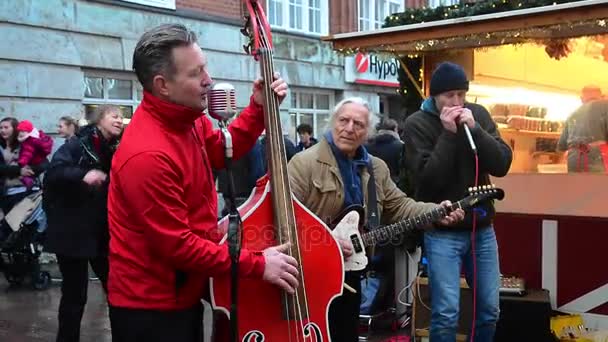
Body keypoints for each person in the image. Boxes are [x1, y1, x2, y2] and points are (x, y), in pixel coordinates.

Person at [106, 24, 298, 342]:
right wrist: (257, 264)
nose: (208, 80)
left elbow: (222, 150)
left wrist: (260, 107)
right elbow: (178, 246)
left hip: (181, 292)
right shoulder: (147, 153)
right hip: (152, 308)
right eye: (196, 73)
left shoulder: (186, 118)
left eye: (205, 67)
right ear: (163, 85)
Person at [288, 96, 465, 341]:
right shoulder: (303, 163)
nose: (349, 128)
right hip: (310, 276)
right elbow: (284, 220)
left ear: (367, 132)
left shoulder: (376, 169)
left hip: (350, 277)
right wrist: (324, 242)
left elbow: (401, 206)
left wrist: (436, 211)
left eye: (358, 124)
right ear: (332, 123)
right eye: (344, 120)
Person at [403, 62, 513, 342]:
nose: (456, 102)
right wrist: (448, 135)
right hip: (443, 232)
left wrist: (475, 130)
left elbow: (501, 164)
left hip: (481, 227)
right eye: (449, 96)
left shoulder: (477, 115)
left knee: (489, 308)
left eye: (461, 95)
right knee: (447, 312)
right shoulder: (417, 123)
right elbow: (427, 183)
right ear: (434, 95)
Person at [43, 105, 123, 342]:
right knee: (74, 296)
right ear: (99, 120)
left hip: (100, 231)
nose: (119, 120)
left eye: (121, 117)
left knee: (117, 289)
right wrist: (83, 175)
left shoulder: (117, 146)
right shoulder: (78, 144)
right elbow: (54, 174)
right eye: (114, 116)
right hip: (72, 231)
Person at [557, 85, 608, 173]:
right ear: (602, 96)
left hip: (574, 160)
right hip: (597, 159)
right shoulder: (605, 106)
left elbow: (561, 146)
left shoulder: (572, 114)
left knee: (578, 186)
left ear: (581, 98)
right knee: (598, 186)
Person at [15, 120, 53, 189]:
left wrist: (22, 162)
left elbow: (27, 153)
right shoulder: (37, 137)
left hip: (35, 163)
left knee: (25, 175)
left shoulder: (29, 141)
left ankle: (31, 183)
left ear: (28, 132)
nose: (20, 133)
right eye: (19, 131)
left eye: (22, 131)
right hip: (42, 162)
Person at [365, 118, 404, 184]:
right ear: (395, 129)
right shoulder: (401, 146)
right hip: (394, 183)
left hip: (371, 182)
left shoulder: (367, 146)